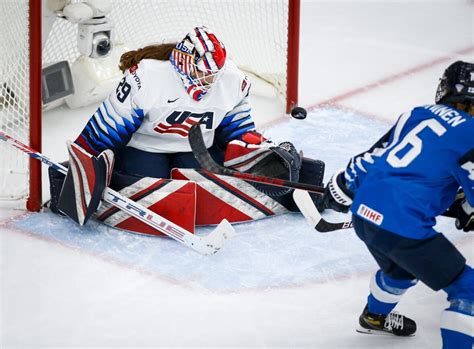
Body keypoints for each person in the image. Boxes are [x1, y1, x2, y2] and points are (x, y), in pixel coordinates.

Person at [49, 26, 324, 219]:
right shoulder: (148, 77)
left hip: (197, 152)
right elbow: (105, 129)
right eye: (203, 75)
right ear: (182, 63)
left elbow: (239, 130)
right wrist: (78, 170)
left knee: (202, 189)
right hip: (146, 149)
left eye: (212, 75)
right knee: (151, 186)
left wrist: (257, 148)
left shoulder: (231, 80)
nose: (209, 82)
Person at [318, 61, 474, 348]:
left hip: (365, 216)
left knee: (400, 271)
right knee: (469, 290)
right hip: (402, 226)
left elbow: (372, 159)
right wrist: (467, 211)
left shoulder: (418, 113)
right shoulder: (472, 133)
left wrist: (341, 186)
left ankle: (374, 317)